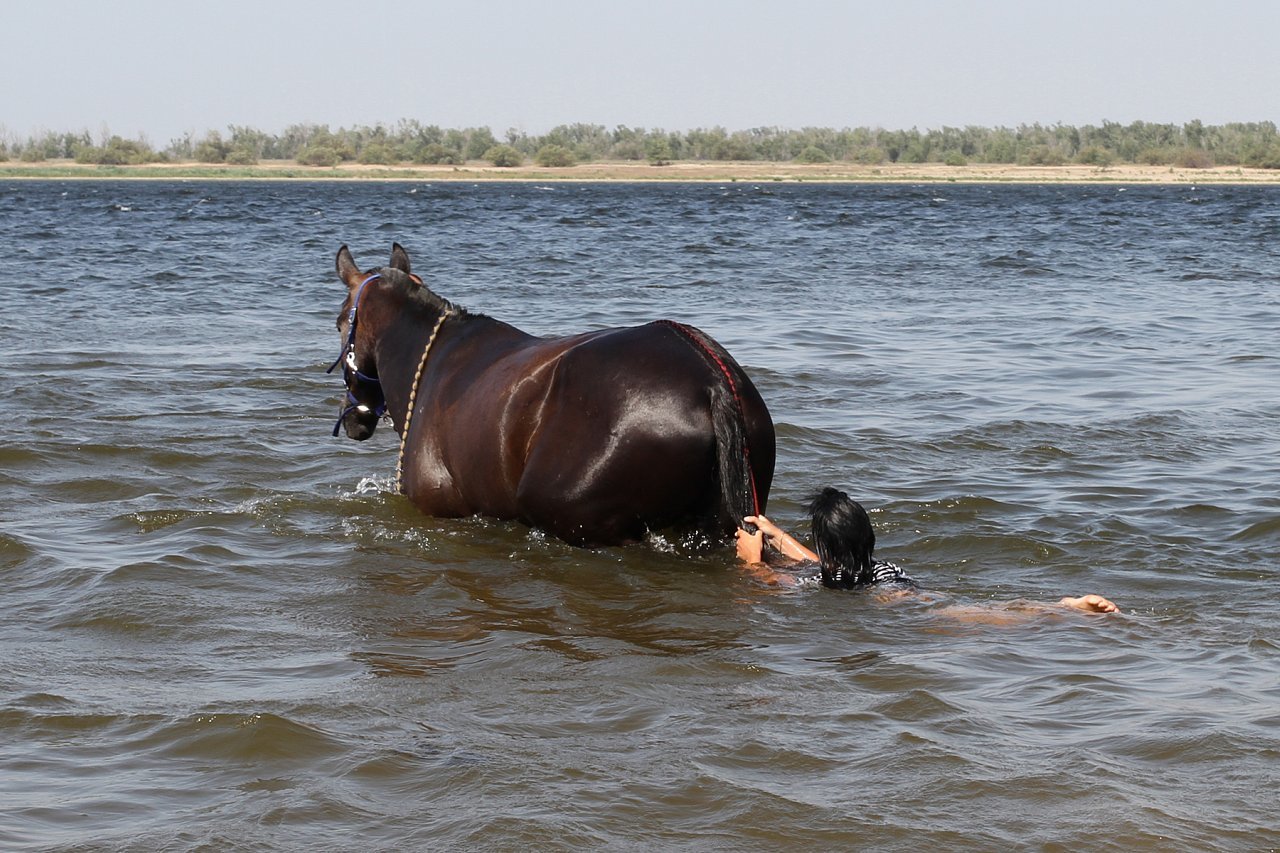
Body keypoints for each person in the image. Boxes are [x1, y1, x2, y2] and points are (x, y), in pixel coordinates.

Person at [735, 487, 1119, 615]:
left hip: (898, 602)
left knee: (971, 617)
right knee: (975, 610)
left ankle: (1062, 609)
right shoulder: (864, 566)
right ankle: (1057, 608)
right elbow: (814, 560)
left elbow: (776, 581)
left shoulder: (828, 577)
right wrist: (775, 533)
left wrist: (753, 560)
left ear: (828, 548)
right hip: (900, 582)